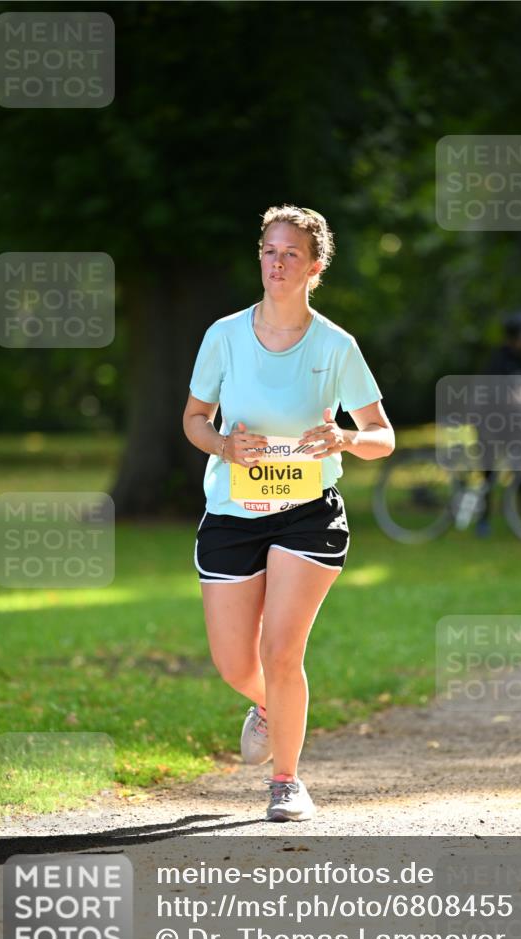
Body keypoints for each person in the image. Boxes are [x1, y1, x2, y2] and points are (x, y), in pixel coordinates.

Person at [182, 205, 395, 821]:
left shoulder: (336, 346)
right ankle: (276, 707)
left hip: (309, 514)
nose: (277, 262)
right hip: (232, 510)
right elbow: (194, 419)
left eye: (291, 254)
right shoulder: (223, 335)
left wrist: (347, 439)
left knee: (281, 651)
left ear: (314, 268)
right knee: (234, 663)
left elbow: (383, 435)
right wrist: (223, 444)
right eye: (270, 251)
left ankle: (286, 780)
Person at [475, 310, 521, 537]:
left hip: (512, 423)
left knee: (519, 470)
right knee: (489, 472)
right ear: (519, 334)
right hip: (491, 422)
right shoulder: (500, 360)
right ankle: (482, 522)